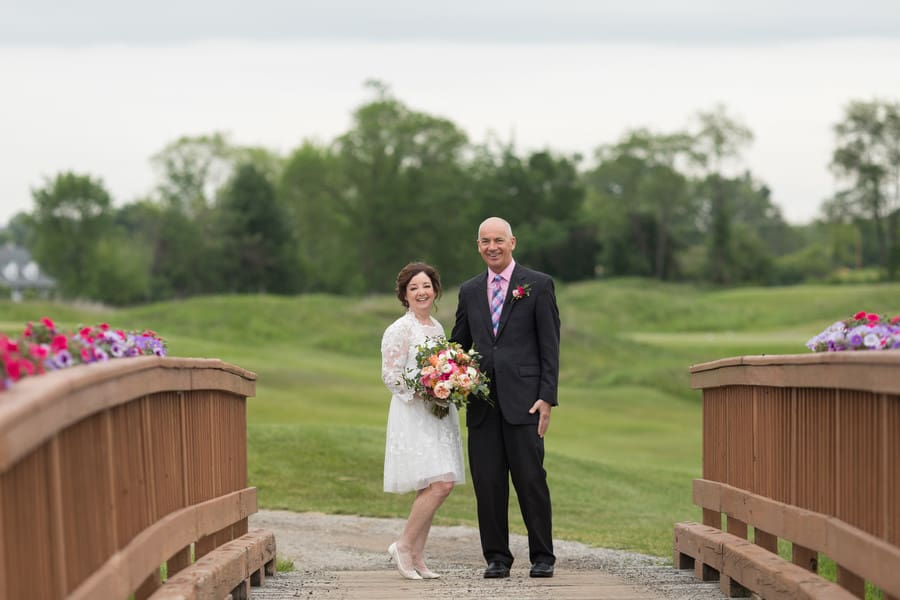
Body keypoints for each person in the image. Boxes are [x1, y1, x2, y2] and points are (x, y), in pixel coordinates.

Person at [451, 216, 560, 579]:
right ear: (478, 245)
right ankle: (496, 557)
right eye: (485, 241)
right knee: (488, 482)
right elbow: (459, 345)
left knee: (531, 479)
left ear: (513, 242)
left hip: (526, 400)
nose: (492, 247)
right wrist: (444, 375)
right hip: (483, 404)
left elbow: (550, 347)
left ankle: (543, 555)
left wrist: (547, 397)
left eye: (498, 240)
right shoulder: (468, 291)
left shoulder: (538, 285)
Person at [380, 261, 465, 580]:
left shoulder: (437, 328)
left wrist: (450, 384)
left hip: (439, 414)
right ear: (404, 294)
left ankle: (417, 554)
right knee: (441, 483)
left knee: (436, 483)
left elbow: (441, 366)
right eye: (413, 288)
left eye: (426, 286)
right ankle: (402, 545)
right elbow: (390, 375)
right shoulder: (399, 329)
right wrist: (426, 387)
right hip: (414, 414)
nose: (421, 292)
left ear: (435, 290)